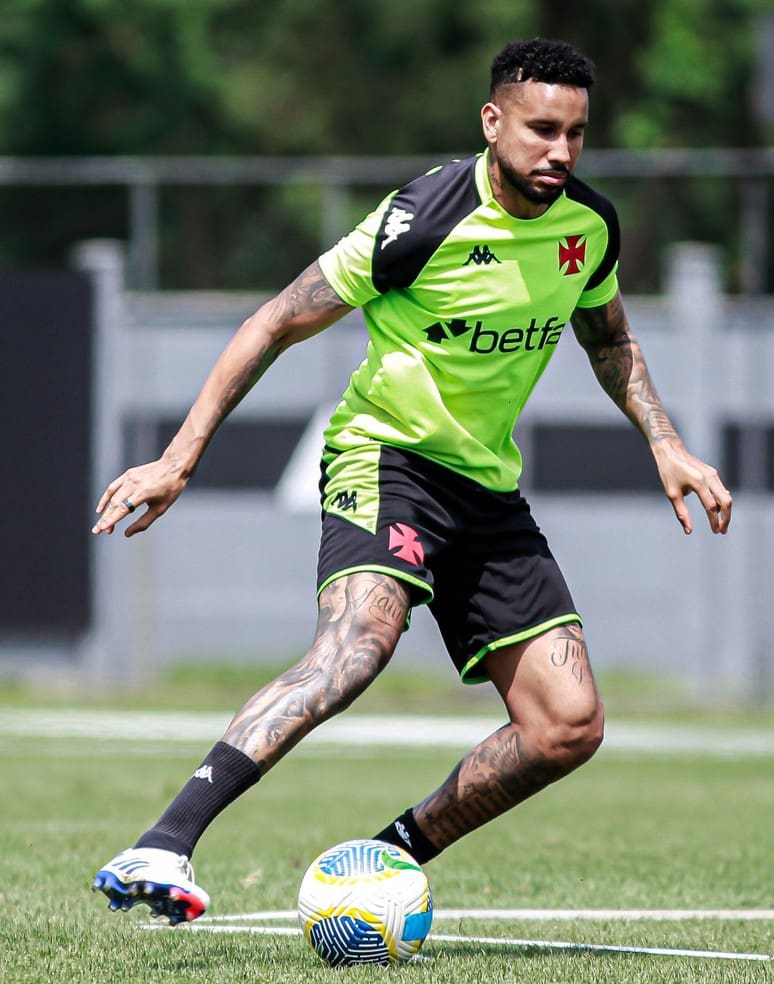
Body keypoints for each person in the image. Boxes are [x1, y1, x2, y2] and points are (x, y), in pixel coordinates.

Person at [91, 37, 732, 925]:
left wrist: (666, 443)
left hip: (486, 491)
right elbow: (275, 321)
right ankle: (164, 840)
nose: (560, 152)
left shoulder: (588, 226)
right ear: (492, 120)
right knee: (357, 647)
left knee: (566, 727)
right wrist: (178, 459)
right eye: (542, 129)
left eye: (577, 134)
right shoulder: (421, 218)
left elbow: (610, 338)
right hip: (385, 458)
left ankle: (382, 862)